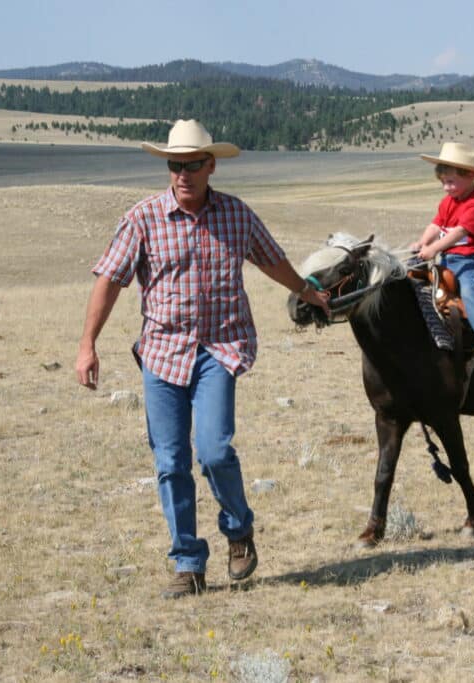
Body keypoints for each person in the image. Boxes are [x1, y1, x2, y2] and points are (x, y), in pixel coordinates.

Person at [74, 119, 330, 599]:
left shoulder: (236, 215)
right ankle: (188, 563)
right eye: (175, 165)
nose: (183, 174)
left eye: (193, 164)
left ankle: (238, 530)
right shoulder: (143, 218)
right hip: (162, 354)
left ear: (211, 165)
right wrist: (88, 345)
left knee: (212, 451)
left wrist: (305, 292)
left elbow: (270, 259)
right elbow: (109, 279)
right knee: (170, 461)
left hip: (219, 349)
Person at [411, 141, 474, 358]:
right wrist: (422, 243)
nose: (447, 188)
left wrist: (433, 248)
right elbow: (436, 225)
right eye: (444, 182)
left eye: (451, 182)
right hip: (447, 259)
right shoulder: (448, 201)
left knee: (470, 289)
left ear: (470, 175)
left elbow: (459, 233)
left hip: (469, 261)